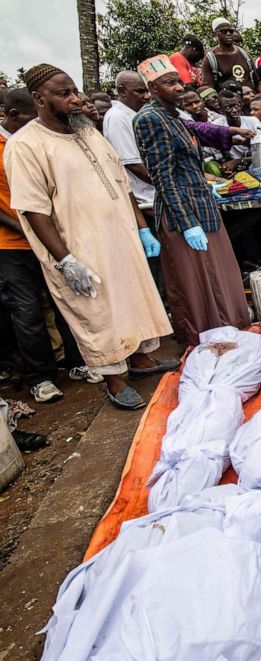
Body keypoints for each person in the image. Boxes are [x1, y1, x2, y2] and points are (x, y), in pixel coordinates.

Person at [6, 64, 178, 409]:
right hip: (79, 245)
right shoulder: (26, 145)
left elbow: (120, 181)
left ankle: (142, 360)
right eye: (64, 93)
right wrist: (66, 260)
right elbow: (33, 210)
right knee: (97, 313)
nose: (76, 99)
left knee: (133, 296)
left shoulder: (88, 131)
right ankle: (114, 380)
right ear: (39, 99)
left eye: (74, 90)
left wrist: (142, 228)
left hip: (122, 235)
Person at [133, 55, 251, 349]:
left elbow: (199, 131)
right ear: (152, 87)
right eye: (169, 83)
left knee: (219, 273)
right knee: (199, 282)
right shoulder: (150, 119)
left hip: (199, 204)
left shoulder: (172, 116)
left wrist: (233, 133)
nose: (178, 88)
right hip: (182, 212)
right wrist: (187, 224)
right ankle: (205, 340)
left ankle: (228, 330)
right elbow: (163, 177)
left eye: (179, 82)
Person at [0, 87, 69, 403]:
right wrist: (28, 230)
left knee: (65, 301)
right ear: (13, 116)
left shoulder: (36, 142)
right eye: (30, 118)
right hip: (13, 244)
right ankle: (40, 378)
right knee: (27, 311)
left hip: (49, 237)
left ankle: (77, 363)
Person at [101, 71, 156, 210]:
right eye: (140, 91)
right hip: (147, 200)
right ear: (122, 91)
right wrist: (168, 184)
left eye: (147, 91)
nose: (147, 96)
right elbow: (132, 163)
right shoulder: (117, 117)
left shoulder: (135, 114)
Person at [201, 17, 254, 89]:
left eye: (230, 31)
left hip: (250, 97)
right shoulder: (210, 59)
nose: (228, 34)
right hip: (227, 99)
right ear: (215, 34)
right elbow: (207, 87)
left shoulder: (245, 55)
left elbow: (257, 82)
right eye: (224, 31)